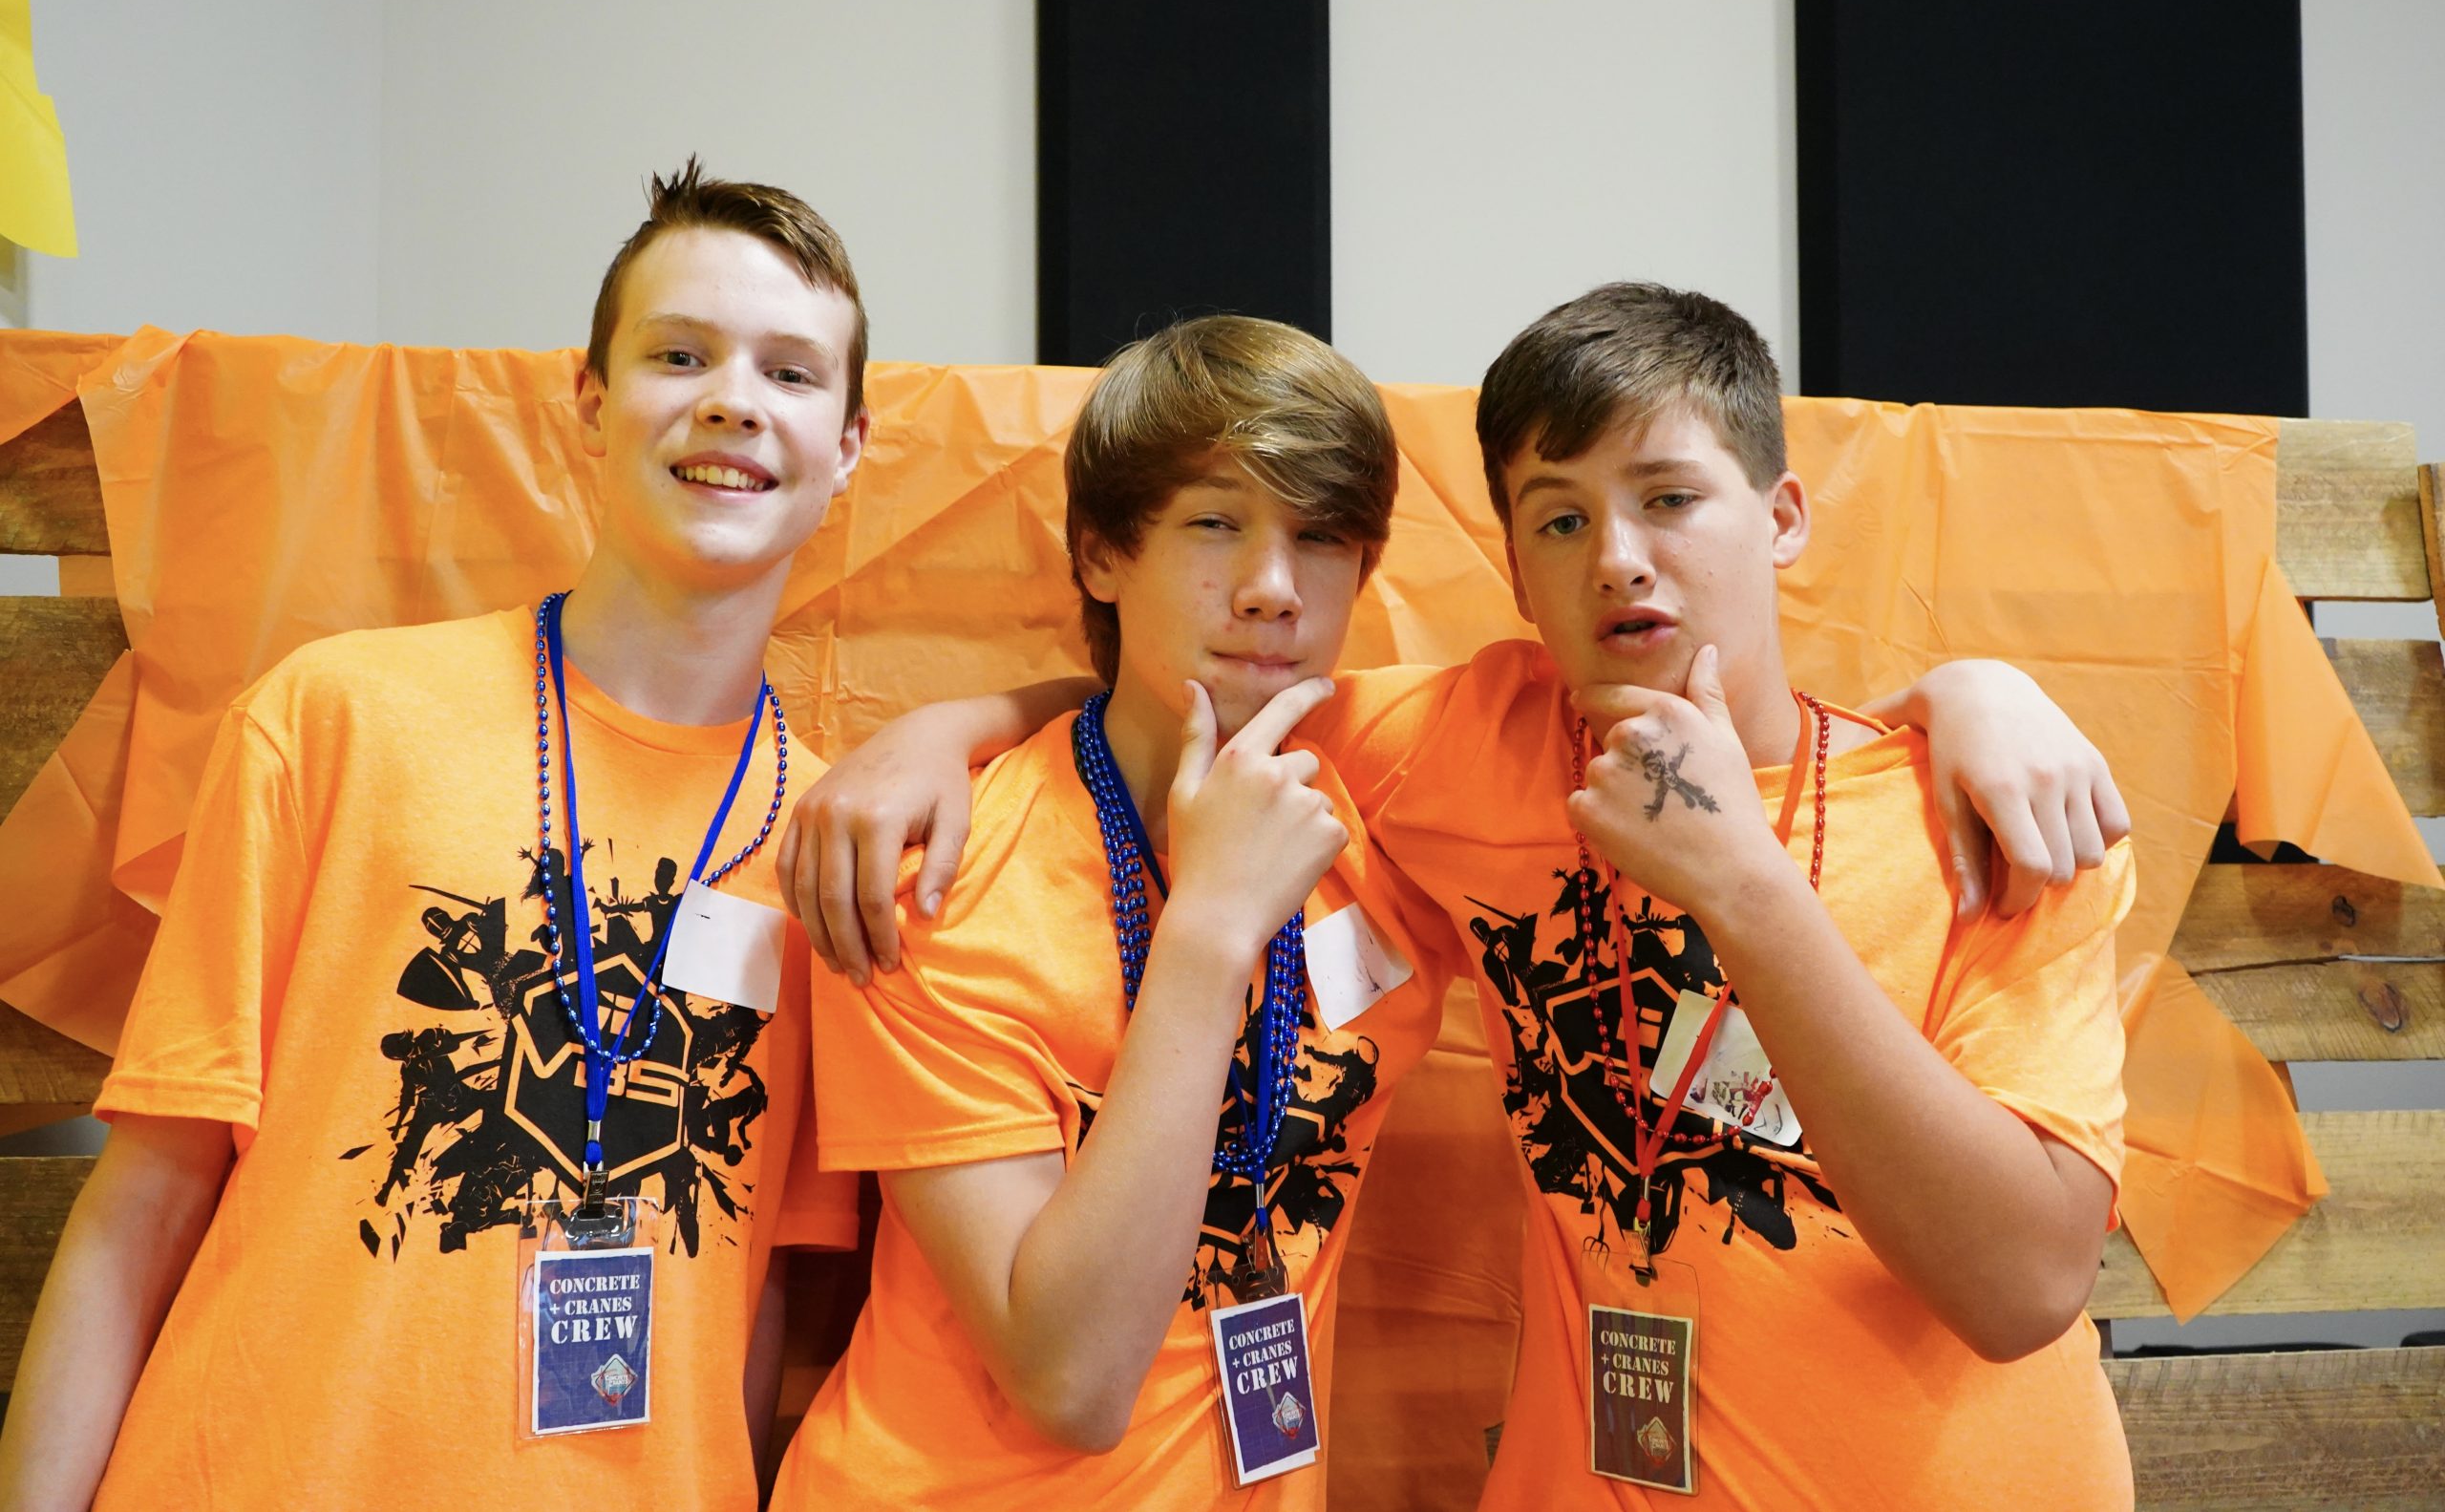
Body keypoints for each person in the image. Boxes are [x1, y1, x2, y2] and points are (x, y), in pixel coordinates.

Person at [781, 288, 2134, 1509]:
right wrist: (941, 733)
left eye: (1669, 498)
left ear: (1781, 518)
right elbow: (1182, 699)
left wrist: (1964, 697)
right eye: (1561, 518)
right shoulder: (1452, 751)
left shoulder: (1998, 824)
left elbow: (2022, 1287)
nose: (1619, 557)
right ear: (1515, 567)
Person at [0, 160, 870, 1511]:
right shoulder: (338, 716)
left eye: (791, 371)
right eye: (678, 353)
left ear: (850, 445)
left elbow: (745, 1295)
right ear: (591, 403)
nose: (731, 400)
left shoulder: (830, 853)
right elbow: (143, 1204)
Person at [770, 315, 1461, 1509]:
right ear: (1099, 554)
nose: (1271, 590)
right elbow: (1070, 1381)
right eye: (1214, 524)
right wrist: (1210, 932)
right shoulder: (937, 880)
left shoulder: (1387, 795)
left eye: (1319, 536)